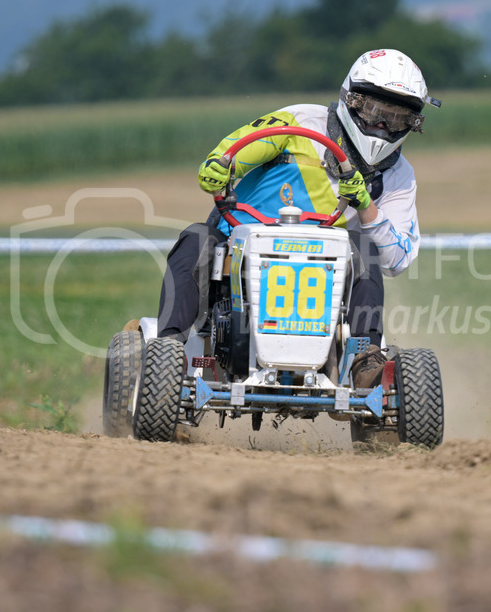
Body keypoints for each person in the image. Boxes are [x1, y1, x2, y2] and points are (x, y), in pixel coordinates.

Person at [157, 48, 439, 388]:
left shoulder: (398, 176)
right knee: (196, 239)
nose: (382, 125)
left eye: (396, 119)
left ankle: (365, 361)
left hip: (324, 263)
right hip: (238, 246)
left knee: (365, 248)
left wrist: (366, 205)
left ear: (412, 124)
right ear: (352, 101)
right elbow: (237, 148)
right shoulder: (299, 121)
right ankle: (168, 352)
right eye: (375, 111)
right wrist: (220, 164)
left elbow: (397, 260)